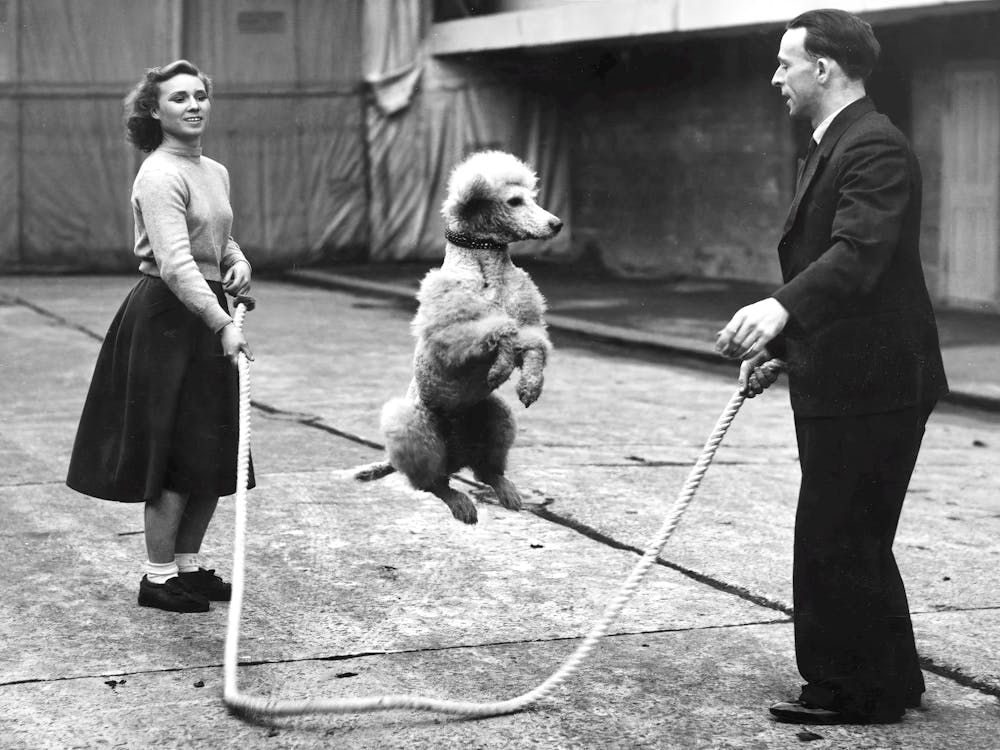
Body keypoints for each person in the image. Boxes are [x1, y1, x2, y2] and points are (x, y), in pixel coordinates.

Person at [715, 9, 948, 724]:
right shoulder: (834, 144)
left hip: (875, 380)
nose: (776, 77)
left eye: (786, 63)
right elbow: (840, 272)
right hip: (848, 372)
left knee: (836, 535)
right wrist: (784, 350)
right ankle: (891, 679)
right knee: (856, 532)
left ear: (824, 67)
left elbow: (857, 253)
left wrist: (780, 311)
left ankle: (850, 692)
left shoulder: (872, 146)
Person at [67, 60, 255, 614]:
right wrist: (221, 322)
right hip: (168, 319)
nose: (193, 105)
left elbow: (218, 241)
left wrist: (238, 263)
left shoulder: (214, 171)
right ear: (154, 110)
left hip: (205, 310)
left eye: (200, 95)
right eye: (178, 99)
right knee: (174, 453)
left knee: (211, 449)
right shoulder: (158, 173)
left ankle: (189, 569)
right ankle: (158, 577)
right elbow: (174, 263)